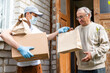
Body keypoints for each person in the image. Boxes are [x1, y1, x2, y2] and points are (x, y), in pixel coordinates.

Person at [1, 6, 70, 73]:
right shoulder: (17, 26)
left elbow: (47, 37)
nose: (36, 18)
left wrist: (58, 32)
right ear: (28, 14)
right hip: (22, 67)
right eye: (35, 16)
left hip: (36, 65)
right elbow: (3, 35)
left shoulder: (33, 28)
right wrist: (20, 48)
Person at [75, 7, 109, 73]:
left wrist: (93, 54)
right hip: (82, 68)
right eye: (78, 18)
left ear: (89, 15)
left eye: (81, 17)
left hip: (98, 67)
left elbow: (106, 45)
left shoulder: (98, 28)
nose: (79, 20)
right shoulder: (76, 30)